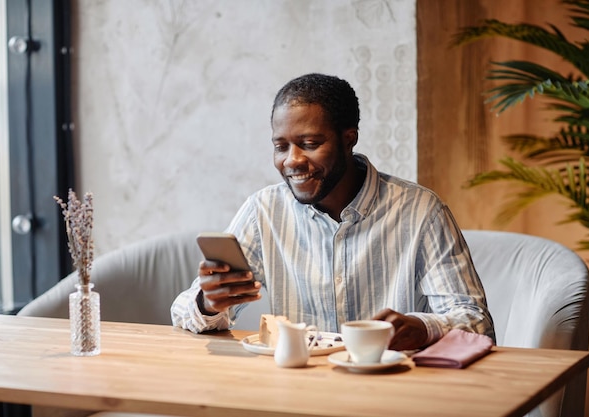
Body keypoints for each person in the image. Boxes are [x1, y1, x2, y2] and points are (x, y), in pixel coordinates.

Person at [171, 73, 495, 350]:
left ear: (348, 138)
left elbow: (476, 323)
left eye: (310, 143)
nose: (292, 160)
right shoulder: (264, 211)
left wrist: (423, 328)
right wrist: (209, 303)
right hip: (300, 392)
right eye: (280, 146)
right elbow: (184, 313)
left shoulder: (421, 211)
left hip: (395, 391)